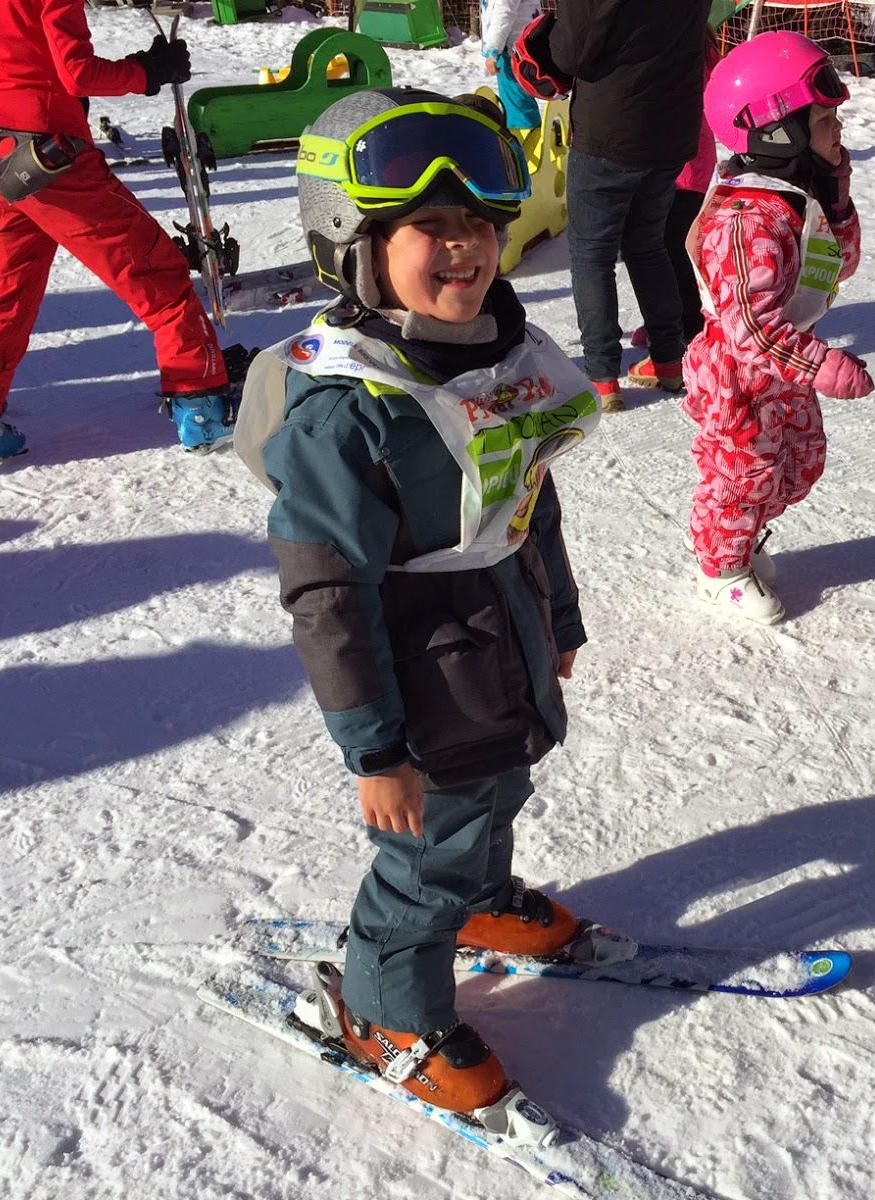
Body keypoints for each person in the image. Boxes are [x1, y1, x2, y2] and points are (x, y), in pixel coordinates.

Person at [239, 88, 603, 1120]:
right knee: (425, 849)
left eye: (480, 225)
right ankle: (387, 1006)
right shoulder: (347, 408)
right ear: (352, 243)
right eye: (430, 228)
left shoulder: (497, 363)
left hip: (503, 635)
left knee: (498, 794)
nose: (466, 248)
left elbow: (533, 504)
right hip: (417, 672)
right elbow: (326, 598)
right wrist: (376, 752)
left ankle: (481, 903)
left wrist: (560, 619)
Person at [0, 0, 235, 469]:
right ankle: (202, 407)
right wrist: (146, 72)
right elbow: (77, 72)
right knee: (155, 272)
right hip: (51, 153)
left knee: (8, 284)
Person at [683, 32, 867, 624]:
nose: (836, 130)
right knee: (744, 474)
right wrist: (822, 364)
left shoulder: (791, 199)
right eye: (823, 119)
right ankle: (721, 566)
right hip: (739, 373)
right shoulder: (745, 222)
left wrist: (838, 204)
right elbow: (750, 328)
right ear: (774, 131)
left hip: (781, 365)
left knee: (798, 463)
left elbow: (835, 267)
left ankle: (741, 535)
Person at [549, 0, 708, 411]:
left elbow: (570, 52)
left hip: (612, 126)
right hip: (672, 124)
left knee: (592, 253)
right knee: (648, 244)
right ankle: (669, 358)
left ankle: (603, 376)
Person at [626, 36, 720, 383]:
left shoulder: (692, 46)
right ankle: (667, 321)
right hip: (677, 156)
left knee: (672, 247)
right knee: (664, 243)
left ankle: (688, 329)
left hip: (684, 160)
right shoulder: (684, 38)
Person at [478, 0, 539, 132]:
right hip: (520, 45)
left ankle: (525, 142)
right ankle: (528, 135)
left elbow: (504, 13)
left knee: (517, 104)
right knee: (519, 99)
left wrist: (493, 50)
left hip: (512, 49)